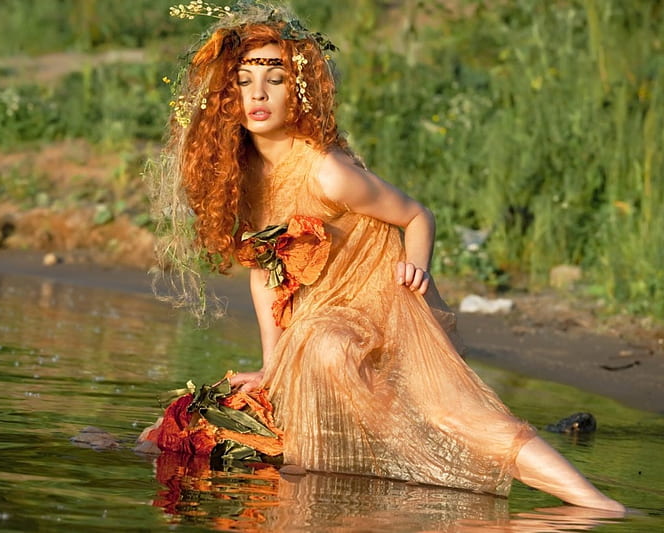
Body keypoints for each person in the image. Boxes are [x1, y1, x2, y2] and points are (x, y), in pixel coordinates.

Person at [147, 0, 624, 512]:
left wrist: (416, 264)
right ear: (225, 95)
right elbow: (266, 271)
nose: (258, 94)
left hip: (387, 299)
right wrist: (273, 365)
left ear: (300, 89)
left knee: (449, 412)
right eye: (243, 80)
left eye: (276, 78)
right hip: (322, 317)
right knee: (293, 397)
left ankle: (600, 507)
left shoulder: (327, 170)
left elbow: (418, 215)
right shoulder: (240, 177)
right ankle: (376, 506)